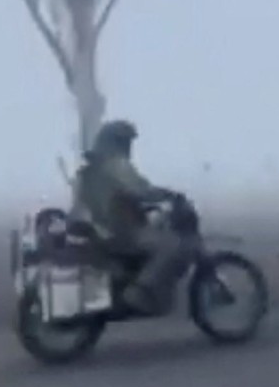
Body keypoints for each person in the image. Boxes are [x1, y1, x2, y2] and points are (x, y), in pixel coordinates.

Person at [73, 119, 195, 313]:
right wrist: (169, 195)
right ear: (116, 142)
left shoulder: (90, 170)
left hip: (103, 231)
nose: (129, 147)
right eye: (126, 141)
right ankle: (140, 290)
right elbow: (140, 190)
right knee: (172, 245)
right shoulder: (116, 164)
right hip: (122, 232)